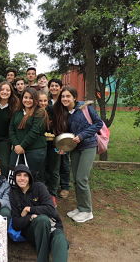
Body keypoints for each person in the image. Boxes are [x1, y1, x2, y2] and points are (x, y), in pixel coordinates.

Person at [53, 87, 103, 223]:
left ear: (74, 97)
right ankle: (81, 207)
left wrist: (81, 136)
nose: (64, 99)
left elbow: (99, 124)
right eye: (62, 96)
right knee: (75, 179)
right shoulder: (65, 112)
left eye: (68, 96)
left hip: (88, 146)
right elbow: (67, 133)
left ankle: (87, 211)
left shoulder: (85, 108)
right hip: (75, 148)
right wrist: (63, 148)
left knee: (82, 179)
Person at [10, 164, 69, 262]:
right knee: (42, 220)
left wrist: (29, 209)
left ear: (29, 177)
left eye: (25, 175)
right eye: (19, 175)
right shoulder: (13, 194)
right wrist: (30, 218)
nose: (22, 178)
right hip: (32, 231)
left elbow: (51, 209)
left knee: (60, 239)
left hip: (53, 226)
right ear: (15, 177)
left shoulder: (39, 187)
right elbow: (16, 223)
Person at [9, 87, 48, 182]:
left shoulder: (39, 112)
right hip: (17, 149)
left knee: (33, 177)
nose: (28, 100)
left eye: (31, 98)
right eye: (25, 97)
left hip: (35, 151)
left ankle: (35, 197)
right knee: (17, 176)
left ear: (35, 100)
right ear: (22, 98)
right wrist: (16, 145)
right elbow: (11, 130)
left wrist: (22, 146)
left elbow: (35, 131)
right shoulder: (17, 112)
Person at [47, 78, 70, 199]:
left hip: (62, 138)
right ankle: (49, 189)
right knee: (53, 164)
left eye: (56, 86)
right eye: (52, 86)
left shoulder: (64, 101)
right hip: (49, 139)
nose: (54, 88)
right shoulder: (47, 102)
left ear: (60, 88)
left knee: (64, 163)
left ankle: (65, 186)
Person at [38, 91, 59, 206]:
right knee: (41, 169)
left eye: (45, 100)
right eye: (40, 101)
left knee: (54, 170)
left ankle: (52, 194)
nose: (43, 103)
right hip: (40, 146)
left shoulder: (52, 111)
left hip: (53, 145)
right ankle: (43, 194)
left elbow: (59, 126)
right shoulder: (35, 112)